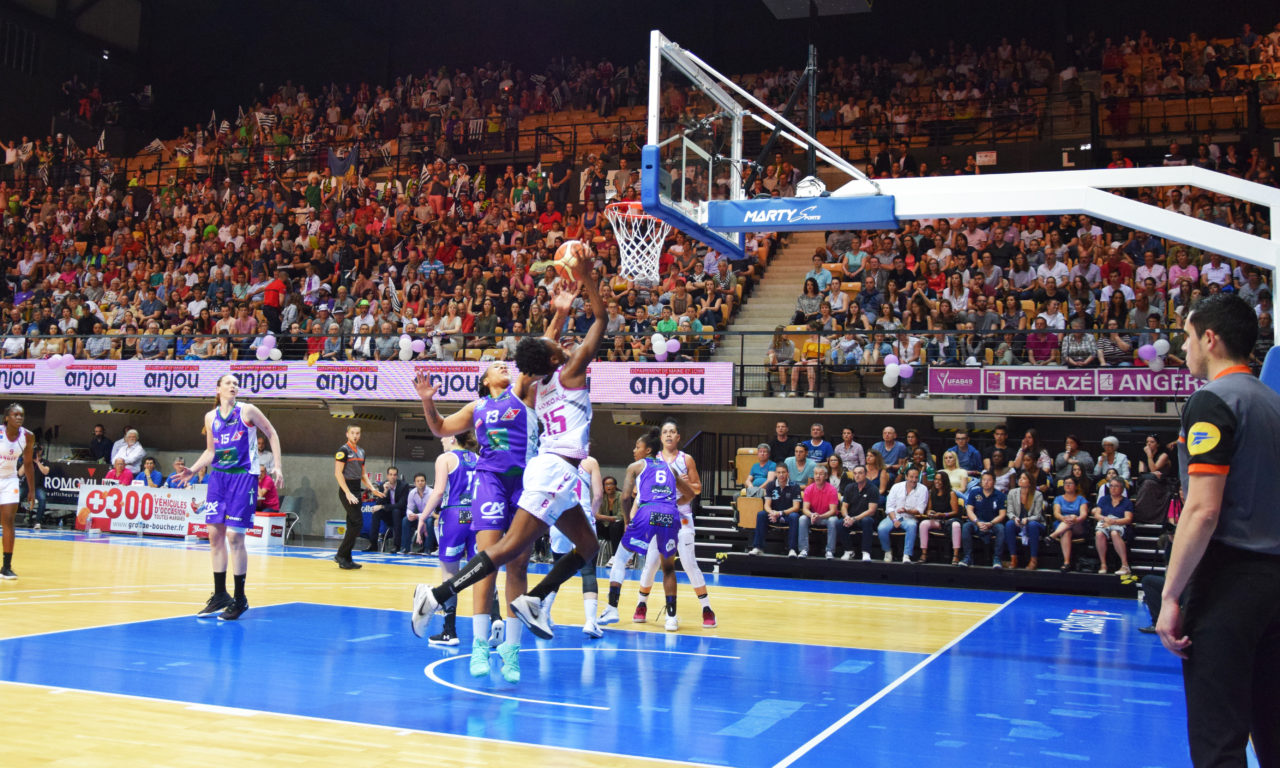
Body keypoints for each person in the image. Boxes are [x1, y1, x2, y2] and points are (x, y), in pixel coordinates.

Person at [411, 247, 608, 681]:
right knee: (495, 556)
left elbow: (539, 352)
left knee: (527, 559)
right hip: (505, 478)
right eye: (493, 365)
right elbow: (443, 427)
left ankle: (517, 636)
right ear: (485, 380)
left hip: (534, 474)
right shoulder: (481, 405)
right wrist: (428, 404)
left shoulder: (526, 389)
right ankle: (469, 628)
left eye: (507, 362)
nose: (501, 364)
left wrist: (559, 313)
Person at [1157, 294, 1280, 767]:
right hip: (1275, 584)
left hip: (1231, 583)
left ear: (1209, 339)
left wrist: (1171, 595)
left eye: (1187, 337)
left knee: (1218, 740)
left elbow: (1203, 511)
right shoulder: (1273, 403)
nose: (1183, 348)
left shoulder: (1212, 401)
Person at [176, 374, 283, 621]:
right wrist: (193, 469)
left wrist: (277, 466)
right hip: (219, 478)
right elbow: (211, 451)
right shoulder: (210, 417)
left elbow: (272, 433)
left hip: (244, 477)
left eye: (236, 383)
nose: (234, 386)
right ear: (218, 388)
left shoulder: (248, 410)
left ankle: (240, 598)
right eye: (229, 383)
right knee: (215, 535)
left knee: (235, 536)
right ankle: (221, 595)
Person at [601, 429, 692, 632]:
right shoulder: (671, 469)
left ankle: (612, 608)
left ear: (648, 450)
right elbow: (690, 493)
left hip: (647, 511)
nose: (634, 450)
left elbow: (625, 497)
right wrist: (673, 505)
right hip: (670, 514)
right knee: (668, 568)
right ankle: (671, 618)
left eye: (637, 446)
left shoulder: (635, 466)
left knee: (620, 559)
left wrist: (626, 521)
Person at [634, 419, 717, 628]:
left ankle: (707, 609)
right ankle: (641, 605)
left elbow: (697, 488)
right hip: (659, 517)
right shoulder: (652, 460)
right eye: (665, 432)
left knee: (689, 563)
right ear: (661, 438)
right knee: (651, 563)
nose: (669, 435)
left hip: (682, 516)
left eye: (673, 431)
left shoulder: (686, 459)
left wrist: (685, 483)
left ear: (678, 437)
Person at [414, 434, 479, 646]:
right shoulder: (477, 457)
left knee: (449, 574)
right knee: (482, 571)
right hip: (476, 515)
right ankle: (491, 626)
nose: (441, 439)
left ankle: (449, 632)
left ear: (452, 437)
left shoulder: (445, 458)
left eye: (443, 436)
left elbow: (439, 491)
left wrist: (423, 517)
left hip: (454, 515)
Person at [540, 452, 606, 639]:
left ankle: (544, 614)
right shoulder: (590, 461)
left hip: (559, 518)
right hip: (581, 517)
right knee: (588, 571)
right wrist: (591, 515)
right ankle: (590, 621)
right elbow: (599, 495)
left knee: (559, 569)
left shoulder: (553, 460)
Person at [333, 425, 384, 569]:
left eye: (357, 433)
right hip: (346, 490)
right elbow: (338, 473)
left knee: (352, 523)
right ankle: (341, 554)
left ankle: (347, 559)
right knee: (357, 523)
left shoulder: (361, 452)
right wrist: (347, 492)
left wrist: (372, 489)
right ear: (347, 434)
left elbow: (363, 475)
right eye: (352, 433)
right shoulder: (343, 451)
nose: (355, 435)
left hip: (356, 489)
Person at [0, 404, 36, 579]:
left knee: (8, 520)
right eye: (15, 415)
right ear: (7, 418)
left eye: (21, 415)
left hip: (10, 479)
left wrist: (31, 490)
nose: (19, 417)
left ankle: (6, 567)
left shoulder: (28, 436)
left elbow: (28, 464)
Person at [747, 464, 801, 556]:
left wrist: (780, 513)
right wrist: (772, 513)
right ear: (775, 474)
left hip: (787, 515)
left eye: (783, 472)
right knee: (761, 514)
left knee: (795, 516)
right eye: (779, 472)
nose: (781, 475)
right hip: (773, 515)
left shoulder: (795, 486)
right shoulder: (771, 485)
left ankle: (792, 549)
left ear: (788, 473)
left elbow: (796, 507)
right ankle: (758, 547)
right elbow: (767, 505)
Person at [878, 465, 927, 563]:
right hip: (893, 516)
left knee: (912, 526)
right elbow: (889, 507)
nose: (914, 480)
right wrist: (894, 520)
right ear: (906, 477)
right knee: (881, 528)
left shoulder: (923, 489)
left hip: (909, 517)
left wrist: (906, 511)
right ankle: (887, 551)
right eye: (911, 477)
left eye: (916, 477)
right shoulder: (896, 487)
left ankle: (906, 555)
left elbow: (920, 510)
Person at [960, 471, 1007, 568]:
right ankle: (967, 557)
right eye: (984, 480)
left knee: (1001, 529)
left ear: (994, 481)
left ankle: (997, 559)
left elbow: (1002, 515)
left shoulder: (1001, 496)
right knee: (966, 526)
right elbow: (969, 510)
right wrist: (977, 522)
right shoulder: (974, 492)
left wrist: (991, 523)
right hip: (977, 522)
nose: (986, 482)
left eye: (989, 480)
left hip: (993, 523)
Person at [1003, 470, 1047, 570]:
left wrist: (1028, 519)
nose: (1020, 480)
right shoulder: (1012, 492)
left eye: (1024, 478)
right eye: (1020, 478)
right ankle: (1013, 559)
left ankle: (1033, 560)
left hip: (1036, 523)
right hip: (1020, 523)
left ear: (1030, 482)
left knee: (1032, 525)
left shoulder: (1037, 495)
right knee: (1009, 524)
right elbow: (1009, 511)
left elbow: (1038, 515)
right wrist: (1014, 518)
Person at [918, 472, 962, 565]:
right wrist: (930, 513)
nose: (937, 482)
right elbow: (929, 509)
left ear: (944, 481)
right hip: (937, 520)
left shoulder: (951, 493)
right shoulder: (931, 493)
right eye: (936, 479)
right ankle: (924, 553)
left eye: (939, 480)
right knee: (923, 524)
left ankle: (956, 555)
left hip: (948, 520)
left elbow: (955, 512)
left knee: (956, 525)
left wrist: (943, 514)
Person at [1092, 477, 1134, 575]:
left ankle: (1125, 565)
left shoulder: (1127, 502)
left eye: (1116, 486)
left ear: (1122, 488)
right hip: (1105, 521)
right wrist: (1105, 519)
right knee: (1099, 533)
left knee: (1114, 533)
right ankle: (1103, 564)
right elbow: (1097, 514)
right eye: (1111, 486)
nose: (1113, 488)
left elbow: (1128, 519)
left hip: (1119, 523)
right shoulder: (1103, 499)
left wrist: (1114, 522)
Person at [797, 465, 841, 559]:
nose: (817, 476)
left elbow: (833, 511)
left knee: (833, 520)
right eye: (816, 474)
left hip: (826, 518)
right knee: (802, 518)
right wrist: (812, 515)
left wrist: (820, 516)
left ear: (826, 476)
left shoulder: (832, 490)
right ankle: (803, 549)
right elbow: (805, 509)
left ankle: (829, 551)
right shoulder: (808, 489)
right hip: (813, 517)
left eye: (820, 474)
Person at [839, 465, 880, 560]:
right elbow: (844, 506)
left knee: (867, 521)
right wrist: (846, 516)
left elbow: (871, 511)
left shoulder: (873, 489)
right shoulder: (849, 487)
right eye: (855, 473)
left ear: (866, 474)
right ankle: (848, 550)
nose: (857, 476)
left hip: (866, 519)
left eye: (860, 473)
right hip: (851, 519)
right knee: (838, 523)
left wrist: (854, 519)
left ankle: (866, 552)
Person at [1049, 475, 1088, 572]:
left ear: (1075, 486)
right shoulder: (1058, 498)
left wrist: (1075, 519)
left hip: (1078, 525)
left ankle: (1053, 535)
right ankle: (1066, 563)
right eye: (1066, 483)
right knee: (1066, 532)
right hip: (1062, 524)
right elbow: (1056, 513)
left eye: (1070, 483)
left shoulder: (1081, 499)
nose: (1067, 485)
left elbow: (1083, 515)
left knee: (1073, 517)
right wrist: (1063, 518)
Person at [367, 466, 409, 553]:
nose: (392, 477)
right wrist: (385, 491)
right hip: (388, 514)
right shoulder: (383, 485)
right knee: (376, 512)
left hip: (400, 514)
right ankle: (373, 544)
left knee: (396, 511)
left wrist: (383, 507)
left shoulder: (404, 486)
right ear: (387, 476)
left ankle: (396, 545)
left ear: (397, 476)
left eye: (394, 475)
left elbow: (401, 505)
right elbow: (379, 503)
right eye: (390, 474)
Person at [402, 472, 433, 555]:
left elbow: (432, 511)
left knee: (429, 521)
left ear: (425, 482)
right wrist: (410, 514)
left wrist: (418, 515)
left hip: (430, 516)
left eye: (422, 480)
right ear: (414, 483)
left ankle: (428, 549)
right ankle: (405, 548)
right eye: (418, 481)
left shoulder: (431, 493)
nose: (420, 482)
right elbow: (409, 508)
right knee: (405, 520)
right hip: (419, 518)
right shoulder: (412, 493)